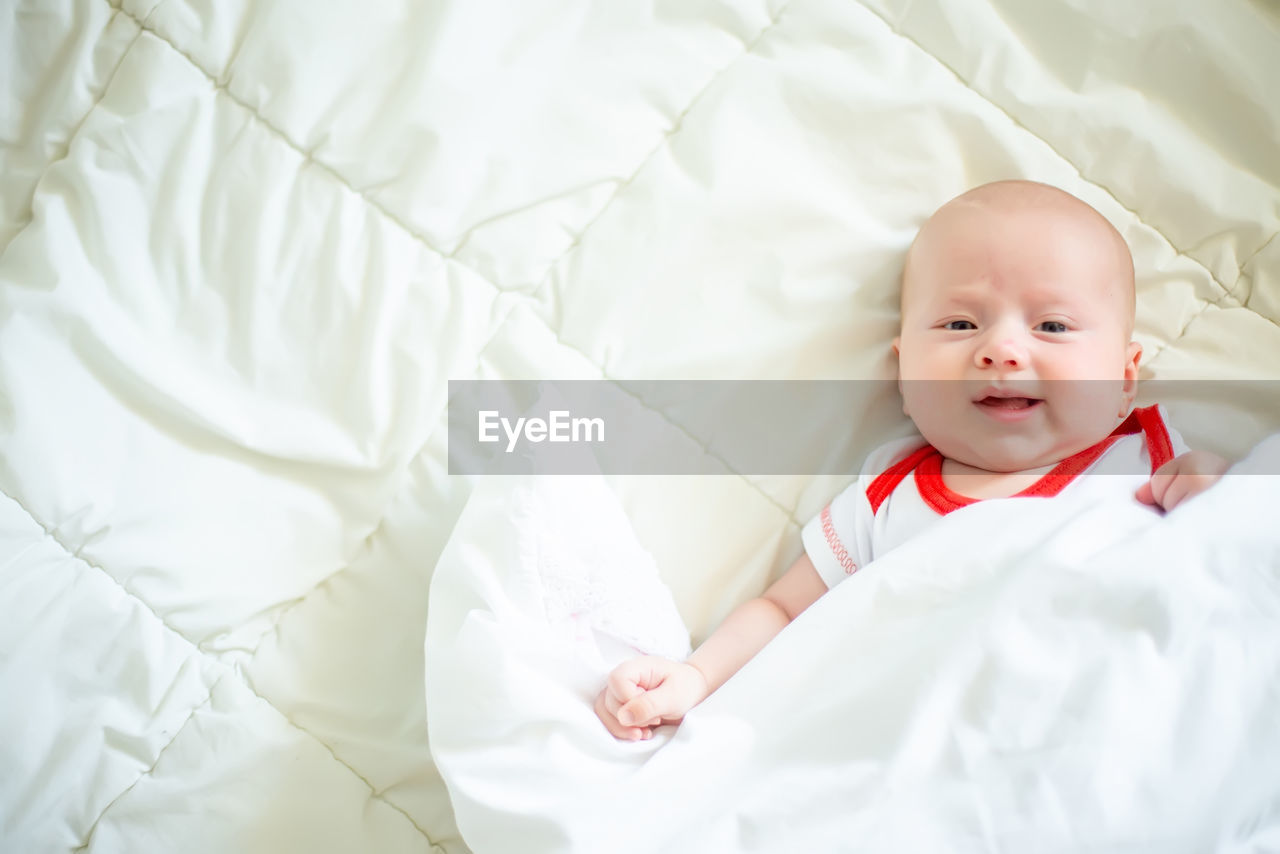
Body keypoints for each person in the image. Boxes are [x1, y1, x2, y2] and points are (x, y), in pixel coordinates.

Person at [594, 179, 1231, 742]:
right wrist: (695, 677)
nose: (1002, 349)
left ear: (1124, 380)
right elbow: (783, 611)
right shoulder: (887, 499)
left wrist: (1217, 502)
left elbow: (1229, 577)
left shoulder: (1153, 468)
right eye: (959, 325)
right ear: (903, 371)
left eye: (1054, 327)